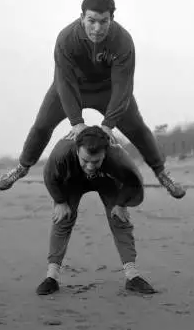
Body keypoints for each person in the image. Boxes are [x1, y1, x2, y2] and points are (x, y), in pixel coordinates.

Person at [0, 0, 185, 199]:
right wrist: (76, 123)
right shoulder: (66, 39)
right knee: (41, 126)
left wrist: (108, 125)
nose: (97, 28)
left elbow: (123, 86)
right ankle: (22, 167)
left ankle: (161, 173)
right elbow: (64, 81)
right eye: (91, 20)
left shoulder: (122, 41)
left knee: (138, 128)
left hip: (107, 90)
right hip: (71, 87)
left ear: (111, 19)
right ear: (81, 17)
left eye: (104, 21)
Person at [36, 126, 157, 296]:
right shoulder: (61, 154)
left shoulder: (117, 156)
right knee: (63, 218)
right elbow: (50, 176)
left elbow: (134, 181)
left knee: (119, 219)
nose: (90, 166)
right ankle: (51, 277)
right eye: (85, 160)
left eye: (96, 161)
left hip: (105, 181)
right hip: (73, 181)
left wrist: (121, 204)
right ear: (77, 150)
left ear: (106, 153)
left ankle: (132, 276)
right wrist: (60, 202)